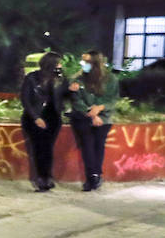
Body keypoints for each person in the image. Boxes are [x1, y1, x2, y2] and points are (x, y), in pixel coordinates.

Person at [66, 50, 119, 191]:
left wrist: (100, 109)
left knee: (98, 146)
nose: (83, 64)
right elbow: (76, 100)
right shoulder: (77, 79)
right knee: (87, 145)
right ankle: (92, 177)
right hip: (83, 117)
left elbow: (112, 99)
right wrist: (92, 114)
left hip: (104, 118)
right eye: (82, 61)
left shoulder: (110, 79)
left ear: (95, 64)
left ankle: (96, 174)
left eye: (87, 61)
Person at [20, 52, 66, 192]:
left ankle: (48, 177)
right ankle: (40, 178)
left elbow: (64, 97)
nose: (60, 66)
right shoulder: (32, 78)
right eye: (58, 63)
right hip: (35, 117)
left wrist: (70, 89)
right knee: (38, 148)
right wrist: (36, 118)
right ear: (51, 64)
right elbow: (25, 100)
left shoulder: (59, 79)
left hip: (53, 118)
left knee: (48, 148)